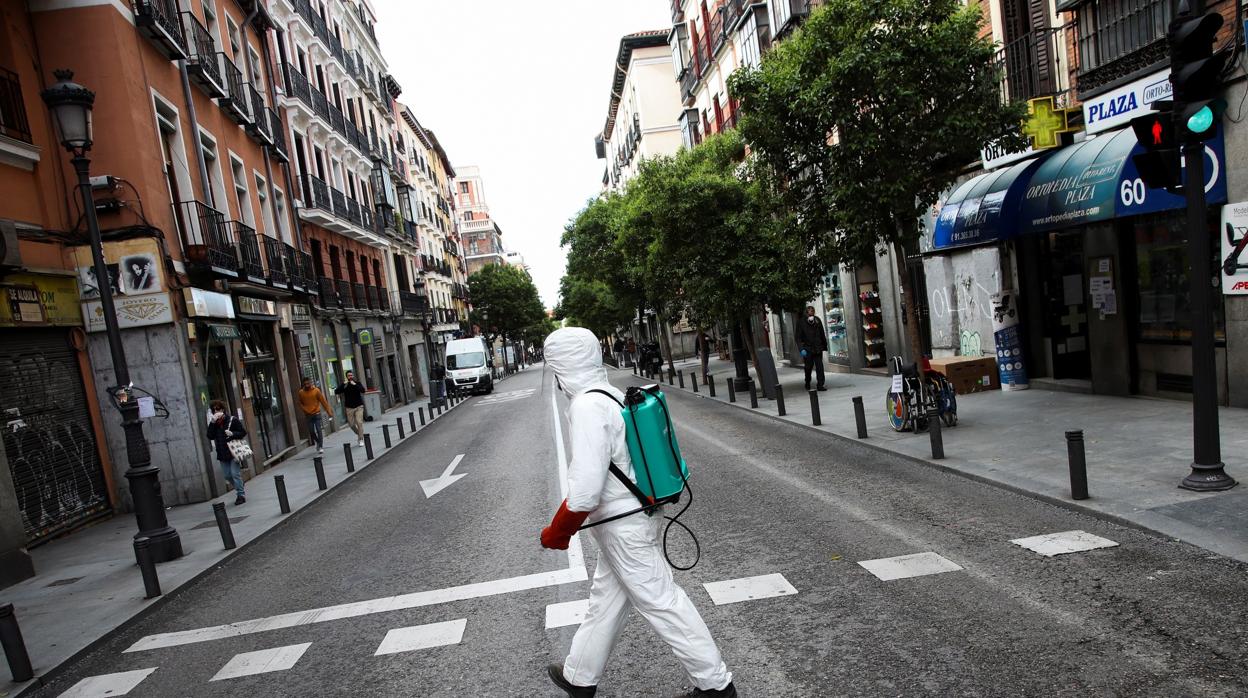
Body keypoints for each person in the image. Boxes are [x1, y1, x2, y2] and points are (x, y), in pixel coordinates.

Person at [541, 327, 736, 698]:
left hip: (623, 528)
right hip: (632, 517)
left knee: (662, 602)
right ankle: (579, 676)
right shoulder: (608, 394)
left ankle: (716, 686)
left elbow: (584, 490)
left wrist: (558, 531)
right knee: (606, 601)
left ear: (562, 366)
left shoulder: (585, 406)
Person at [206, 400, 247, 505]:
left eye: (218, 409)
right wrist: (212, 423)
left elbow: (243, 432)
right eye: (214, 410)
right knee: (227, 476)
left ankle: (240, 495)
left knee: (235, 474)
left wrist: (232, 433)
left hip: (233, 452)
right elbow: (209, 436)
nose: (216, 411)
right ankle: (240, 485)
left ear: (223, 409)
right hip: (222, 453)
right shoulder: (214, 424)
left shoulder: (232, 420)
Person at [297, 376, 333, 453]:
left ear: (311, 383)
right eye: (305, 383)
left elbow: (323, 402)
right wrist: (304, 409)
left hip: (317, 413)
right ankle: (318, 442)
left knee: (319, 429)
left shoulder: (316, 391)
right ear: (303, 384)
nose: (307, 385)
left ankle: (321, 446)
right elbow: (300, 403)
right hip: (308, 415)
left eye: (308, 383)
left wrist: (329, 412)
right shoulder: (301, 393)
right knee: (311, 431)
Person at [796, 305, 828, 391]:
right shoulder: (801, 322)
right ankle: (807, 382)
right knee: (808, 367)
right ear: (806, 314)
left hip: (817, 348)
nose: (811, 316)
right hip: (807, 349)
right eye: (810, 314)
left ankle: (820, 385)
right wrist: (801, 349)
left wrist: (824, 345)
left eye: (812, 313)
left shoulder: (817, 320)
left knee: (820, 367)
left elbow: (822, 334)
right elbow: (798, 337)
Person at [334, 370, 366, 446]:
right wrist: (343, 384)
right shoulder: (345, 385)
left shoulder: (357, 383)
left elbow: (363, 390)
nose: (350, 377)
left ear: (353, 376)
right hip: (349, 408)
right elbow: (336, 391)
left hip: (359, 406)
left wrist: (354, 384)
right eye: (349, 376)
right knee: (351, 425)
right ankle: (359, 433)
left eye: (351, 375)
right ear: (346, 377)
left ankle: (361, 439)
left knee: (359, 422)